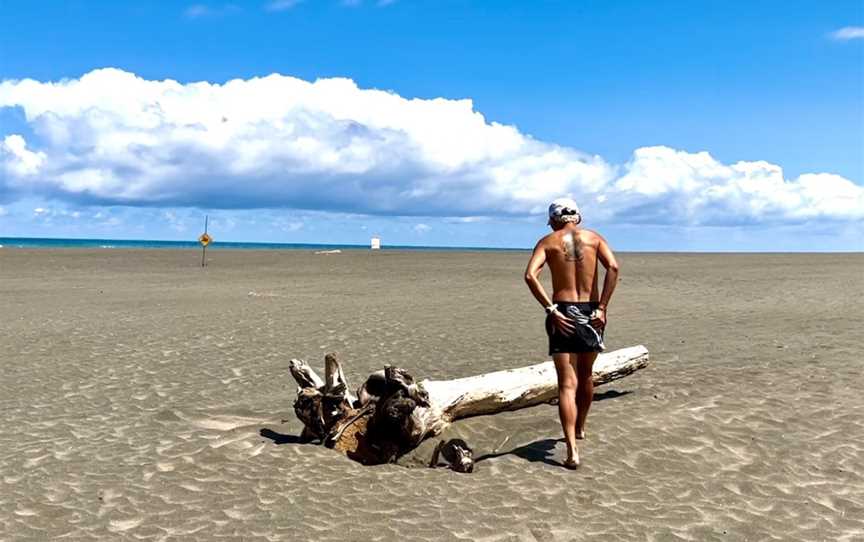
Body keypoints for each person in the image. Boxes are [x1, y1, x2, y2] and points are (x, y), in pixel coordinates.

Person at [524, 197, 620, 469]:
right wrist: (602, 307)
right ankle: (580, 427)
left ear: (554, 220)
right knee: (587, 375)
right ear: (578, 217)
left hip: (563, 310)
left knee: (567, 383)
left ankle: (571, 450)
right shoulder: (595, 238)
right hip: (591, 311)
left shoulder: (548, 241)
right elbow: (613, 267)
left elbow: (530, 275)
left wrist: (551, 309)